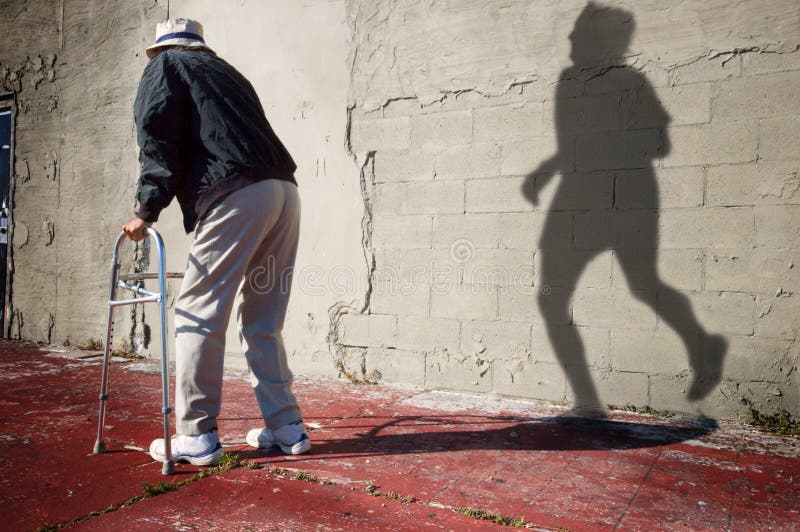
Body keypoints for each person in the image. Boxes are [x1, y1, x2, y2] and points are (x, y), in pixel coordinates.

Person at [521, 3, 727, 415]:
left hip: (630, 194)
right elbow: (569, 147)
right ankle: (587, 401)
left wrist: (612, 138)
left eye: (578, 32)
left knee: (642, 285)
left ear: (601, 39)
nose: (569, 38)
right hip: (576, 198)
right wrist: (544, 172)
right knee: (551, 299)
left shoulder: (632, 82)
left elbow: (660, 145)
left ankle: (703, 343)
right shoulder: (566, 82)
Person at [122, 18, 311, 466]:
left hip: (236, 195)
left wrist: (146, 209)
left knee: (197, 311)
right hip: (283, 191)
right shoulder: (228, 72)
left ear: (160, 49)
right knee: (263, 318)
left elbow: (157, 134)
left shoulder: (166, 66)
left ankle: (196, 434)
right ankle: (287, 427)